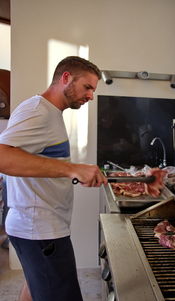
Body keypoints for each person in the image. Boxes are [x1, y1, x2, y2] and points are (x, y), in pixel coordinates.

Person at [0, 56, 108, 301]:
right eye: (88, 87)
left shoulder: (49, 111)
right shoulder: (38, 111)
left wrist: (74, 170)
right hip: (39, 231)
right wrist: (71, 169)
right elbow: (2, 157)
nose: (91, 96)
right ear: (66, 78)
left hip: (38, 226)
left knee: (35, 286)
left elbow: (35, 159)